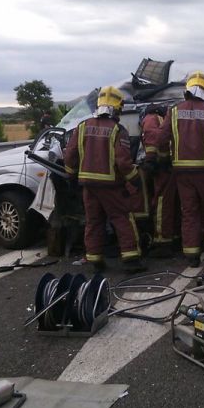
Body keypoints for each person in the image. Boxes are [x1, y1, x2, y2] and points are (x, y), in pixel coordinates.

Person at [149, 71, 204, 267]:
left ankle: (191, 255)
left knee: (189, 212)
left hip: (182, 173)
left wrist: (162, 158)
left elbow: (161, 138)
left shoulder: (174, 110)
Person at [63, 86, 146, 273]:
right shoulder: (117, 130)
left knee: (93, 221)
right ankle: (131, 260)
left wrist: (71, 176)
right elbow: (123, 162)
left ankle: (95, 258)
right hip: (112, 187)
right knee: (123, 219)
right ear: (117, 107)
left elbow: (70, 156)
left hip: (88, 187)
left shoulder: (82, 127)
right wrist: (135, 179)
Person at [141, 104, 177, 258]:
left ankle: (163, 241)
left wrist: (150, 161)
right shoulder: (164, 117)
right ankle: (173, 236)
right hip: (170, 165)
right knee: (171, 203)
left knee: (161, 203)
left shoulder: (150, 119)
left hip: (162, 168)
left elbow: (152, 139)